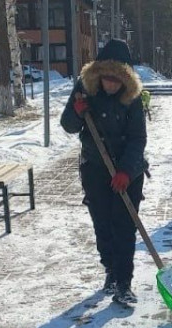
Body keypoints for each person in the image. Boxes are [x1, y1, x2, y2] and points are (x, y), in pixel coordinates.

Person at [60, 40, 147, 306]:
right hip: (95, 167)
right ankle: (110, 269)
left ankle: (124, 283)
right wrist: (76, 113)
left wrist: (126, 171)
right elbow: (68, 125)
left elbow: (137, 139)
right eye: (107, 78)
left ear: (126, 79)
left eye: (117, 80)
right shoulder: (84, 90)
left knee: (124, 225)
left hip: (126, 171)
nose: (111, 84)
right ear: (98, 75)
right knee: (103, 223)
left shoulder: (132, 98)